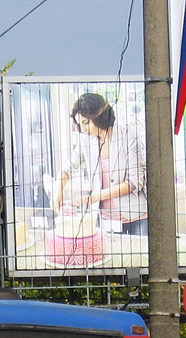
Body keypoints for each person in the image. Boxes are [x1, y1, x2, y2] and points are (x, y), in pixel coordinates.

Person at [53, 92, 148, 236]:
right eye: (80, 124)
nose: (83, 129)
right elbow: (67, 169)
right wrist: (57, 190)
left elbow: (134, 182)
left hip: (136, 216)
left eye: (86, 123)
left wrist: (92, 198)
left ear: (100, 115)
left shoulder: (129, 134)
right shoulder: (86, 141)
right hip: (104, 219)